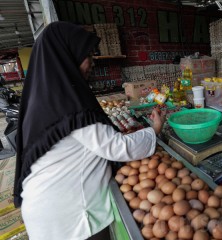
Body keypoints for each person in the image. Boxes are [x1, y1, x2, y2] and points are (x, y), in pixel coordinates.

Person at [13, 21, 164, 240]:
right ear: (67, 55)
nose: (92, 62)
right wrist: (154, 130)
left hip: (46, 203)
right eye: (87, 56)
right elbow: (116, 148)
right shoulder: (69, 102)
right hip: (68, 216)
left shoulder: (45, 96)